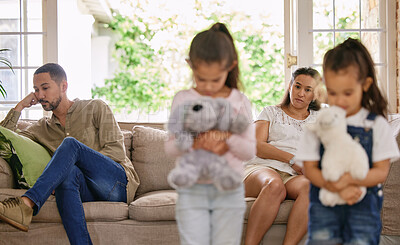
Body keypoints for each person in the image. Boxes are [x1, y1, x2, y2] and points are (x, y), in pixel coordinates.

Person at [0, 63, 140, 245]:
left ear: (63, 86)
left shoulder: (95, 107)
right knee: (67, 176)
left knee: (70, 145)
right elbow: (4, 137)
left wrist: (67, 164)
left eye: (45, 88)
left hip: (117, 184)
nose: (40, 95)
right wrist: (19, 106)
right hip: (84, 189)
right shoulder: (41, 128)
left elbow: (116, 151)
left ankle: (27, 203)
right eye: (36, 89)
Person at [296, 38, 400, 245]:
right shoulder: (320, 124)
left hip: (362, 212)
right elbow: (308, 168)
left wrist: (350, 182)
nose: (340, 100)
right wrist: (332, 185)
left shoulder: (376, 125)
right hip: (324, 211)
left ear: (366, 84)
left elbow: (381, 171)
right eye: (333, 93)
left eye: (348, 93)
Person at [164, 22, 256, 245]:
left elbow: (250, 151)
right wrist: (195, 143)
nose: (208, 87)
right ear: (190, 65)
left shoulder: (239, 101)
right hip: (192, 192)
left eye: (215, 80)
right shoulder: (182, 100)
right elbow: (169, 147)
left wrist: (226, 139)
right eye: (201, 78)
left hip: (229, 191)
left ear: (230, 66)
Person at [243, 67, 323, 245]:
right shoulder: (270, 112)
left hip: (294, 176)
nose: (301, 93)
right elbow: (258, 146)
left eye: (308, 90)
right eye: (297, 86)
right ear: (290, 86)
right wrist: (292, 159)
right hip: (262, 167)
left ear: (314, 95)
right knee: (274, 186)